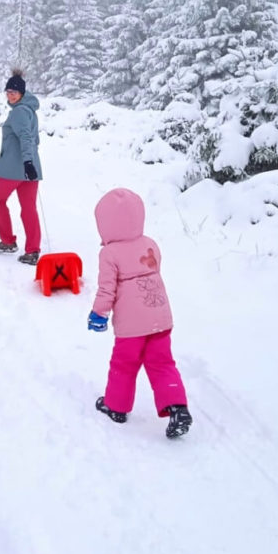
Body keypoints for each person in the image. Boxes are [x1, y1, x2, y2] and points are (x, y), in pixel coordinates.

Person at [87, 187, 193, 438]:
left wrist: (99, 314)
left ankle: (116, 406)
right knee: (163, 363)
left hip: (132, 327)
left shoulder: (109, 253)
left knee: (124, 364)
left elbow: (106, 289)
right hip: (161, 317)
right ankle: (177, 407)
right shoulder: (150, 244)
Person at [0, 71, 43, 266]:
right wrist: (30, 164)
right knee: (29, 208)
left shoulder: (19, 111)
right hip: (30, 169)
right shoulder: (29, 109)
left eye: (14, 92)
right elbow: (32, 138)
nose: (10, 95)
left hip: (14, 168)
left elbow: (26, 137)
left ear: (22, 93)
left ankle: (7, 241)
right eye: (8, 91)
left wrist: (27, 162)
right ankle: (32, 251)